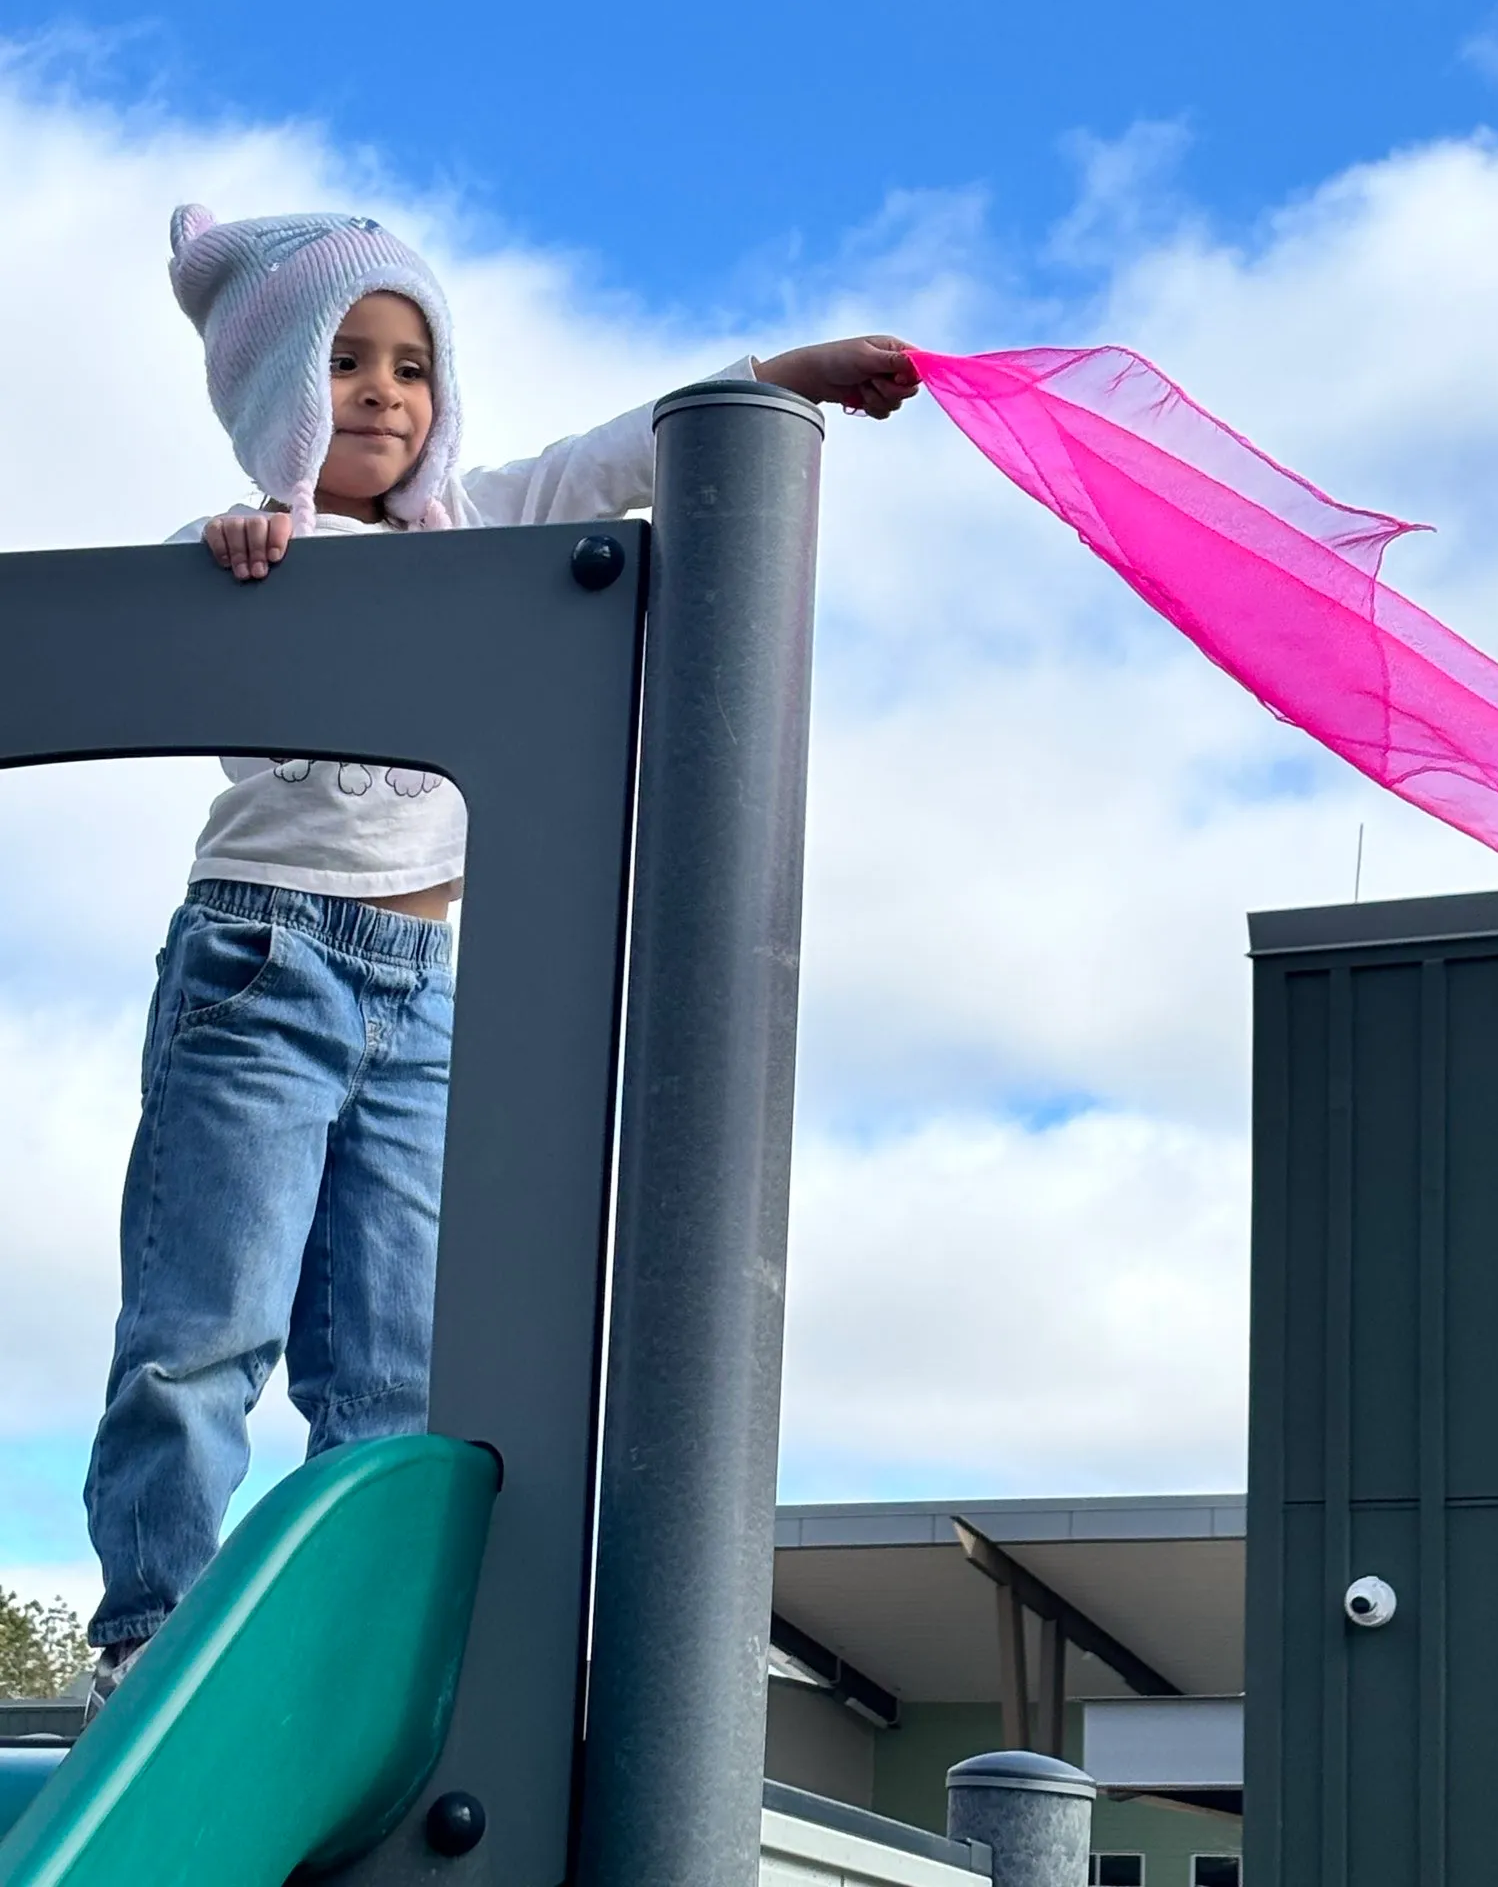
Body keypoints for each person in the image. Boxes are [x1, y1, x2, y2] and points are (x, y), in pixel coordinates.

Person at [82, 205, 919, 1717]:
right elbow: (169, 633)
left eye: (410, 365)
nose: (385, 394)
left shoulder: (482, 528)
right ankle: (156, 1626)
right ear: (273, 390)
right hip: (262, 961)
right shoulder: (252, 550)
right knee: (206, 1322)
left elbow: (622, 461)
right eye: (344, 363)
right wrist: (229, 548)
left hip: (423, 992)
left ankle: (350, 1646)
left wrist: (792, 373)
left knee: (397, 1359)